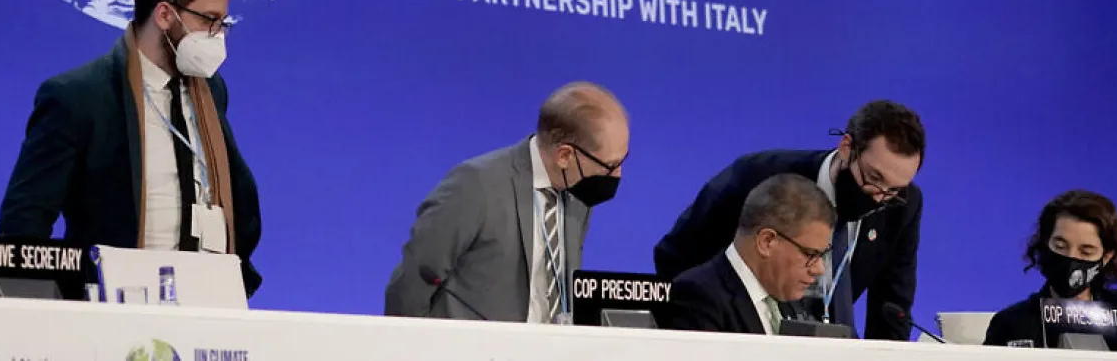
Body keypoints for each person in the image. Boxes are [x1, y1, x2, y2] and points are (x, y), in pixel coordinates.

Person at [0, 0, 262, 295]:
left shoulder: (211, 90)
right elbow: (24, 222)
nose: (218, 35)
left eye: (223, 24)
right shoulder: (78, 96)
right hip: (113, 307)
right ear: (166, 15)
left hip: (207, 300)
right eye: (208, 21)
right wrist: (44, 314)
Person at [654, 100, 925, 340]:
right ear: (847, 147)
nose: (880, 198)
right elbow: (676, 256)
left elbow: (892, 305)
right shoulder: (759, 177)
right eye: (874, 178)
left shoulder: (904, 205)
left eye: (893, 190)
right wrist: (706, 326)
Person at [385, 82, 629, 323]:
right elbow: (412, 282)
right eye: (610, 166)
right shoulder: (476, 185)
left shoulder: (578, 194)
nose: (617, 175)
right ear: (564, 155)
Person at [984, 190, 1117, 352]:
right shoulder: (1010, 323)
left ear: (1107, 257)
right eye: (1060, 246)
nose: (1071, 258)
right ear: (1045, 243)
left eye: (1086, 251)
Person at [655, 174, 835, 334]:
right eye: (811, 254)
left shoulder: (793, 300)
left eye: (822, 254)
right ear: (767, 241)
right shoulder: (697, 298)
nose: (819, 269)